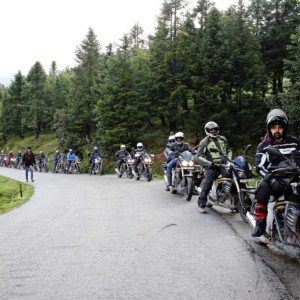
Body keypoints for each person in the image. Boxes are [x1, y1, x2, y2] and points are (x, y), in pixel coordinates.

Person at [252, 109, 300, 237]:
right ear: (269, 128)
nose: (277, 130)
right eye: (274, 127)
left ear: (285, 128)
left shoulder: (295, 143)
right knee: (262, 189)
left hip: (294, 179)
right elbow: (260, 166)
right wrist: (270, 178)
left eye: (280, 127)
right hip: (273, 179)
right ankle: (260, 225)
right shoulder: (264, 146)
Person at [195, 122, 232, 213]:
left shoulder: (223, 139)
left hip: (224, 165)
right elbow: (198, 156)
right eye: (211, 130)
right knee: (207, 184)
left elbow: (229, 150)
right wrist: (210, 164)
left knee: (233, 179)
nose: (214, 131)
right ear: (207, 130)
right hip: (212, 166)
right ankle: (201, 204)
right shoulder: (204, 142)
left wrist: (229, 160)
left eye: (215, 129)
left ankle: (233, 199)